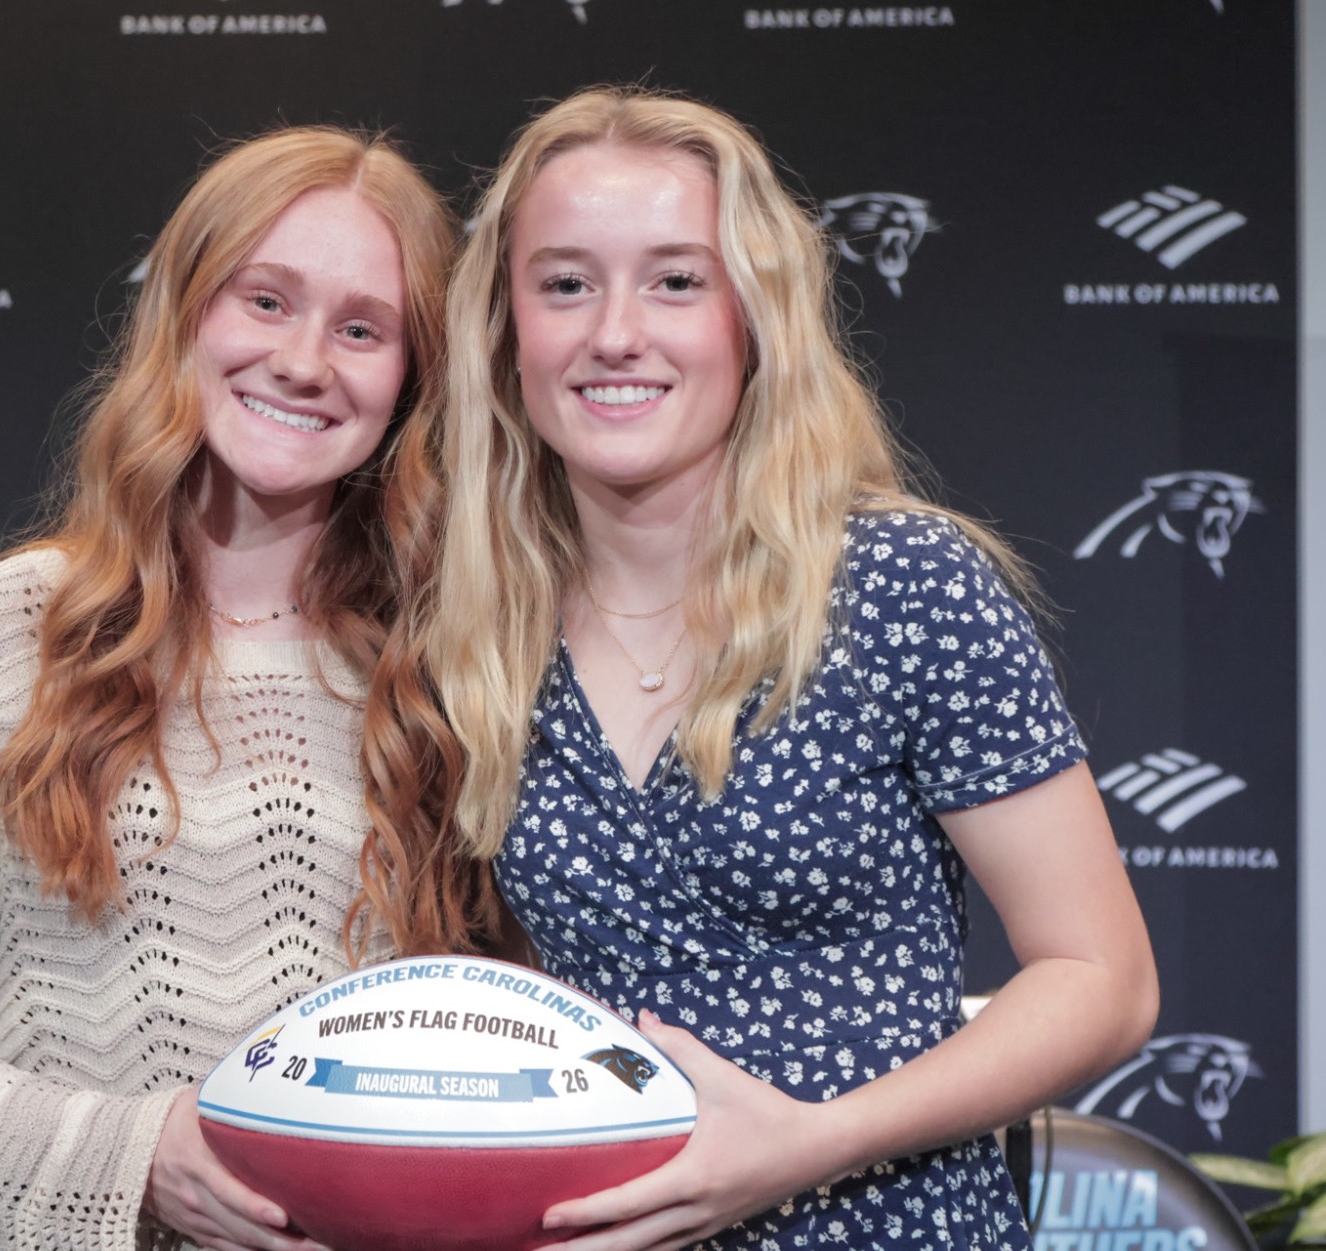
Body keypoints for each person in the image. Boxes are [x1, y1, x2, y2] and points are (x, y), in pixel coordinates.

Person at [396, 87, 1159, 1250]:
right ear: (504, 331)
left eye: (674, 280)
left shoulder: (900, 584)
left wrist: (809, 1142)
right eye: (564, 283)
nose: (613, 332)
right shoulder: (476, 624)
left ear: (753, 316)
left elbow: (1103, 978)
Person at [0, 126, 471, 1251]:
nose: (306, 360)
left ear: (411, 380)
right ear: (183, 313)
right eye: (265, 301)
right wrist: (143, 1155)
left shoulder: (451, 674)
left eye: (362, 329)